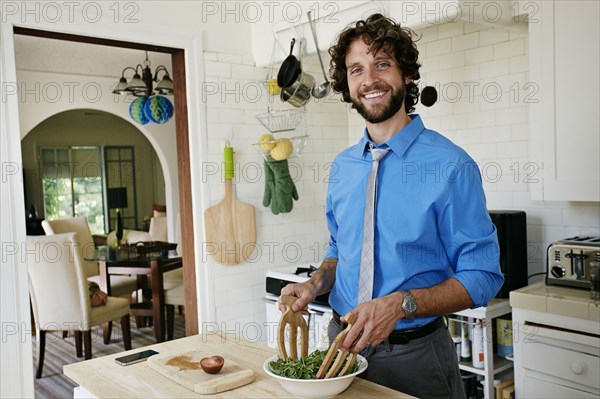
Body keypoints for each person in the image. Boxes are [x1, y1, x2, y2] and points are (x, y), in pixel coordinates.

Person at [281, 13, 504, 398]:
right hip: (341, 349)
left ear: (407, 76)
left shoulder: (452, 166)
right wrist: (315, 284)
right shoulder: (342, 167)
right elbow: (340, 251)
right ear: (347, 84)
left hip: (414, 358)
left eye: (382, 64)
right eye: (356, 69)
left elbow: (484, 276)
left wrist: (401, 305)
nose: (369, 80)